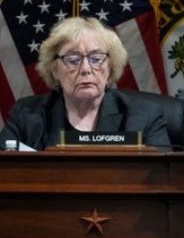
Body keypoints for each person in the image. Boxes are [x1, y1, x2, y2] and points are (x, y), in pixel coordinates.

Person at [0, 17, 171, 150]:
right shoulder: (27, 116)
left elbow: (162, 178)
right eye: (73, 60)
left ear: (110, 67)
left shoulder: (143, 117)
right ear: (55, 70)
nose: (86, 69)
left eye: (96, 59)